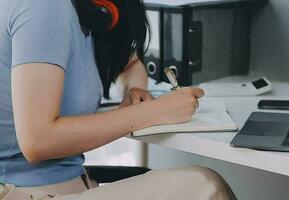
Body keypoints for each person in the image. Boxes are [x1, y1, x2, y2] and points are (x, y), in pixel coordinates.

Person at [0, 0, 237, 199]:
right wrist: (153, 113)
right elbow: (37, 140)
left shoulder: (89, 11)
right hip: (26, 193)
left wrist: (133, 89)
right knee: (206, 186)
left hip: (69, 185)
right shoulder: (44, 7)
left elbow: (130, 63)